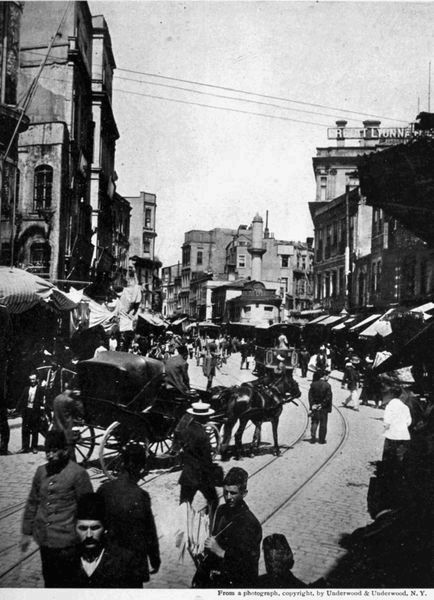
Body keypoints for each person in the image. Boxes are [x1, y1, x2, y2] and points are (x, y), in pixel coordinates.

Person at [21, 430, 93, 587]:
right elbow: (33, 502)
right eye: (47, 451)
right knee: (50, 581)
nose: (49, 455)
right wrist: (27, 532)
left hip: (68, 544)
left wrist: (88, 541)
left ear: (65, 451)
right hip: (46, 541)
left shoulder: (78, 474)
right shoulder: (41, 472)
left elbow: (89, 510)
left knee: (70, 584)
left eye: (54, 451)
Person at [97, 442, 160, 585]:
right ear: (141, 467)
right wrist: (155, 559)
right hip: (133, 565)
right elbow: (149, 531)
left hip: (108, 561)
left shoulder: (103, 490)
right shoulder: (141, 496)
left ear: (123, 462)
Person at [193, 467, 262, 588]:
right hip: (215, 579)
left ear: (244, 493)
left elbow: (248, 565)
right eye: (225, 492)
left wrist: (220, 551)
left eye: (233, 493)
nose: (228, 497)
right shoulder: (221, 511)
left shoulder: (250, 523)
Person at [68, 493, 143, 588]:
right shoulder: (64, 562)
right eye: (83, 528)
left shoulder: (125, 562)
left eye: (95, 528)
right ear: (74, 528)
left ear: (105, 528)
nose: (89, 535)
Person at [174, 401, 219, 529]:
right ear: (204, 417)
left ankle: (182, 530)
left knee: (184, 504)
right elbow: (206, 458)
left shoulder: (185, 429)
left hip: (187, 475)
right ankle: (208, 527)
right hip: (202, 476)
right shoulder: (203, 435)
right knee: (213, 500)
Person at [382, 385, 412, 468]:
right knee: (399, 457)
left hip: (392, 435)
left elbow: (386, 422)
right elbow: (408, 422)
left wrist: (385, 430)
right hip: (403, 435)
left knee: (388, 457)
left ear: (391, 394)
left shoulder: (390, 406)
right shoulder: (405, 407)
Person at [52, 388, 84, 461]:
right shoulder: (69, 400)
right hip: (67, 430)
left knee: (60, 450)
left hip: (57, 428)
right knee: (71, 453)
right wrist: (78, 399)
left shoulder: (56, 398)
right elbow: (80, 412)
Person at [17, 373, 45, 454]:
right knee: (25, 429)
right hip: (26, 411)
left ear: (37, 380)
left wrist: (42, 410)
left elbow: (43, 400)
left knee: (35, 429)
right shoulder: (26, 388)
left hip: (35, 411)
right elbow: (21, 399)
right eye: (31, 380)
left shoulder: (40, 389)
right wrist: (16, 409)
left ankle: (34, 447)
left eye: (33, 379)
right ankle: (25, 447)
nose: (32, 381)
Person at [308, 370, 333, 444]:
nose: (328, 378)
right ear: (324, 376)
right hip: (323, 408)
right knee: (323, 423)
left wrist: (312, 405)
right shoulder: (327, 385)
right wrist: (321, 405)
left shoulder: (313, 384)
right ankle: (321, 440)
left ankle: (313, 437)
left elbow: (310, 396)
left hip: (314, 407)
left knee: (314, 421)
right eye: (328, 376)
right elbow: (328, 397)